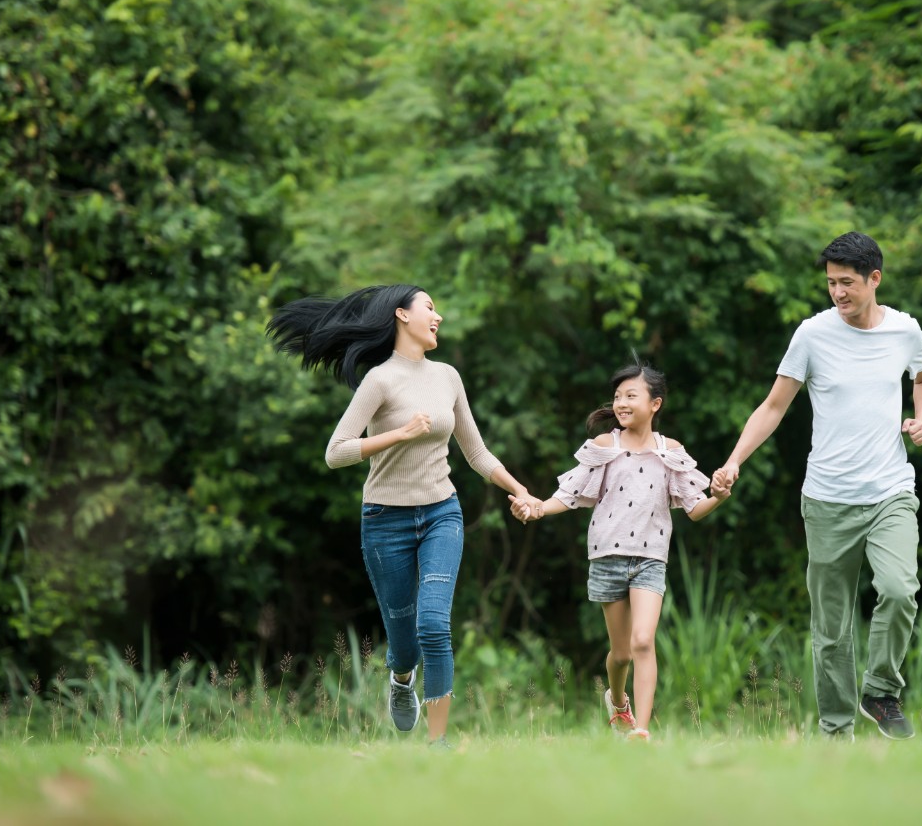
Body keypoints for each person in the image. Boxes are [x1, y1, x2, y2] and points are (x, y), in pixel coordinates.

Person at [267, 284, 542, 749]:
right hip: (384, 520)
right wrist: (400, 434)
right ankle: (401, 678)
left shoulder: (448, 377)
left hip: (441, 513)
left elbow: (476, 453)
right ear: (401, 315)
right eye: (429, 307)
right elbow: (336, 452)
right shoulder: (380, 381)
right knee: (405, 642)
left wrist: (521, 490)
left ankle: (438, 742)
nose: (438, 316)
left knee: (434, 624)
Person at [712, 231, 922, 741]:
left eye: (847, 283)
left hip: (890, 491)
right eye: (831, 283)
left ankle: (880, 691)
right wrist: (734, 461)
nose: (838, 292)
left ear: (874, 279)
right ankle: (836, 734)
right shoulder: (812, 335)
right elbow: (774, 406)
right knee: (832, 630)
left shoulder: (904, 330)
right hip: (827, 500)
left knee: (899, 590)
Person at [510, 364, 730, 741]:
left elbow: (695, 508)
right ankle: (617, 700)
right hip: (607, 557)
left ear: (655, 404)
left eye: (631, 395)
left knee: (643, 641)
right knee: (623, 653)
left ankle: (641, 729)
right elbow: (569, 495)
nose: (621, 403)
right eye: (617, 397)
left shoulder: (670, 452)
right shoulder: (604, 447)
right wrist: (537, 509)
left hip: (650, 558)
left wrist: (719, 497)